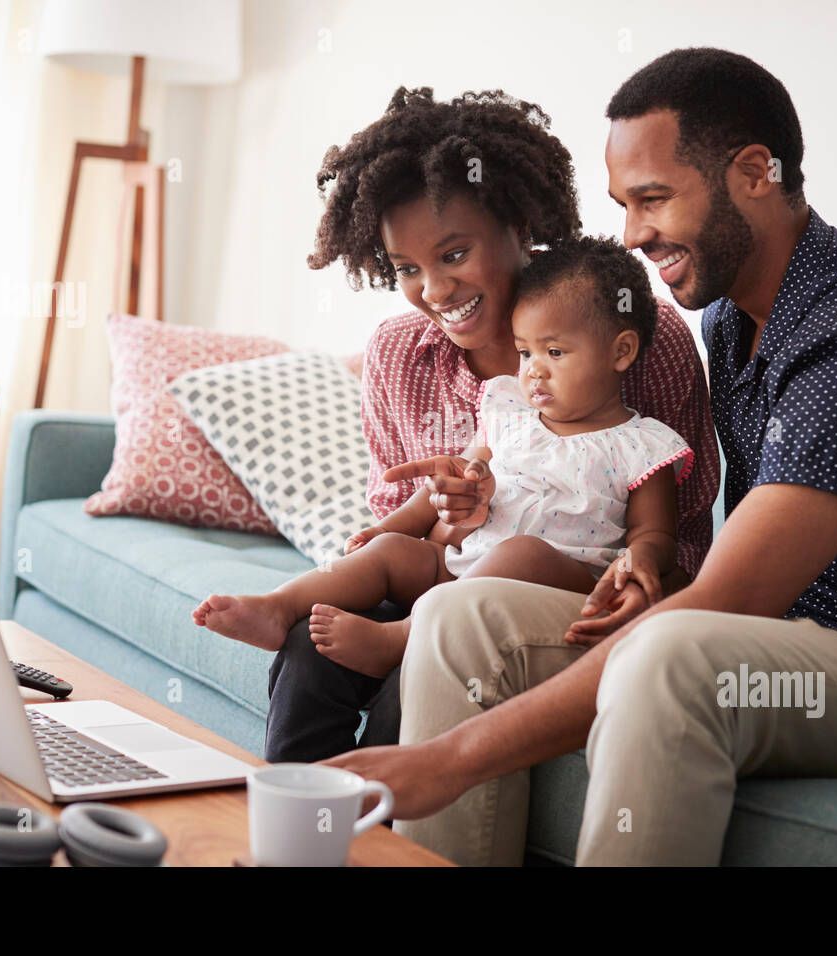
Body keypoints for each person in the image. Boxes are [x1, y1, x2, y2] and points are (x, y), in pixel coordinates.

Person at [324, 47, 837, 866]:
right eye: (624, 204)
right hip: (797, 635)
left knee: (669, 658)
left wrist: (446, 761)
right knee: (463, 615)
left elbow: (733, 597)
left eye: (652, 200)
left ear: (754, 172)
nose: (634, 234)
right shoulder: (733, 318)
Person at [260, 86, 721, 763]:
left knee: (420, 681)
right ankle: (295, 830)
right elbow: (404, 531)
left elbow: (681, 545)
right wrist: (452, 519)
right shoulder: (398, 355)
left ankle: (382, 842)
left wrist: (635, 577)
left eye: (453, 255)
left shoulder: (634, 331)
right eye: (408, 269)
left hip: (550, 597)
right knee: (307, 650)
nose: (435, 291)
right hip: (442, 575)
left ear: (519, 223)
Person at [193, 236, 696, 677]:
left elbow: (655, 534)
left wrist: (640, 565)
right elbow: (456, 481)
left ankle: (401, 640)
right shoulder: (507, 412)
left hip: (557, 581)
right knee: (392, 555)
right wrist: (391, 529)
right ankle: (279, 606)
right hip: (462, 564)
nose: (534, 372)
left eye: (555, 353)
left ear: (621, 352)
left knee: (521, 551)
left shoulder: (643, 444)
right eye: (525, 353)